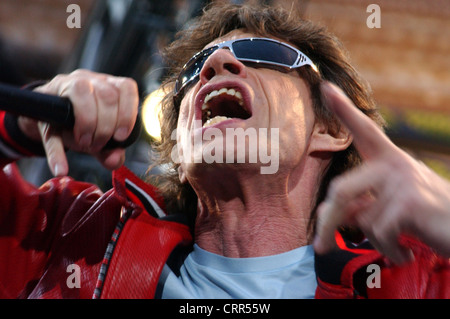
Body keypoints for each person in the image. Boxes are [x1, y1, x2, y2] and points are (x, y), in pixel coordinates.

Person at [0, 3, 448, 299]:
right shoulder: (73, 236)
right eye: (195, 69)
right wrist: (15, 128)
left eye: (261, 52)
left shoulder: (415, 279)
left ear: (330, 128)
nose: (214, 66)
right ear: (178, 148)